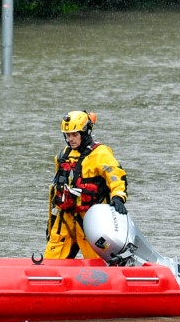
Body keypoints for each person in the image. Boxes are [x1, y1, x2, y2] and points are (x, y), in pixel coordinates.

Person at [45, 109, 127, 260]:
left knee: (98, 264)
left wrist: (118, 197)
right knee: (50, 262)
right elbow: (57, 189)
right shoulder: (63, 155)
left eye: (75, 135)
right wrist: (50, 224)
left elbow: (116, 177)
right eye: (68, 135)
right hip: (65, 220)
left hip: (91, 220)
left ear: (85, 132)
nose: (71, 139)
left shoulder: (100, 154)